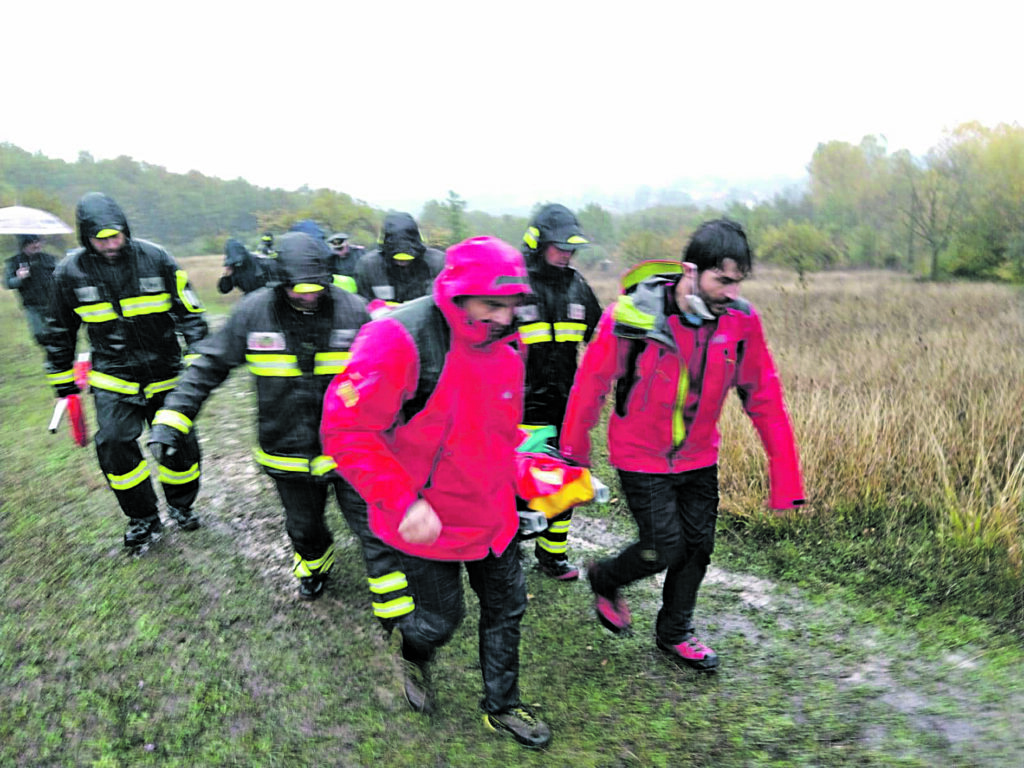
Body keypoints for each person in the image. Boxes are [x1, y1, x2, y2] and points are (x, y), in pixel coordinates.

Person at [321, 236, 552, 749]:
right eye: (492, 306)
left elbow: (489, 427)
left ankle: (502, 705)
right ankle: (411, 653)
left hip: (492, 515)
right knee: (440, 618)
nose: (503, 318)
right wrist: (403, 501)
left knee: (508, 607)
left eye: (511, 307)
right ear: (457, 292)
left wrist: (532, 467)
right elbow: (345, 430)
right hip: (426, 519)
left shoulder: (509, 340)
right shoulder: (399, 339)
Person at [560, 219, 805, 672]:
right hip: (640, 455)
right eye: (722, 279)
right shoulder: (632, 316)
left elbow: (763, 396)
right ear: (691, 271)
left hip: (698, 456)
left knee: (697, 547)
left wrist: (785, 473)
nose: (731, 291)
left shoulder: (740, 321)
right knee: (662, 546)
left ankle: (674, 633)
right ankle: (605, 577)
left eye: (738, 281)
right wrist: (574, 453)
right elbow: (590, 383)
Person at [150, 232, 410, 616]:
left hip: (350, 450)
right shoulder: (254, 313)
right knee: (304, 528)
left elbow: (392, 369)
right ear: (279, 282)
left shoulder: (353, 311)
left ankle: (398, 614)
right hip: (286, 449)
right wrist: (173, 419)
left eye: (315, 288)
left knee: (375, 526)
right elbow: (209, 365)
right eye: (298, 289)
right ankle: (314, 567)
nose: (308, 296)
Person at [41, 192, 208, 549]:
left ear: (126, 230)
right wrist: (62, 382)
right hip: (113, 378)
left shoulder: (157, 259)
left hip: (166, 374)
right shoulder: (68, 274)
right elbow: (59, 332)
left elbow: (192, 317)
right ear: (85, 237)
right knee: (115, 445)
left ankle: (182, 506)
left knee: (178, 446)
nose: (110, 243)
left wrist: (195, 365)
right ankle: (143, 517)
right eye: (101, 239)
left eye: (115, 235)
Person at [517, 204, 602, 580]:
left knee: (564, 478)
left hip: (564, 406)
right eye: (560, 246)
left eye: (572, 247)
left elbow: (598, 335)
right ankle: (504, 551)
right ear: (538, 244)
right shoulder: (514, 286)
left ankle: (552, 556)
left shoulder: (578, 286)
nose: (567, 254)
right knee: (518, 482)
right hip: (518, 409)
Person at [354, 212, 444, 310]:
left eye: (408, 258)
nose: (402, 262)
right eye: (397, 258)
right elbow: (362, 303)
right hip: (383, 321)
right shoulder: (369, 267)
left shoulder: (437, 264)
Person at [4, 234, 58, 344]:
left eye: (38, 242)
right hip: (32, 306)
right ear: (24, 245)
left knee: (57, 333)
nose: (37, 245)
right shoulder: (14, 262)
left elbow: (62, 277)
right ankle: (50, 352)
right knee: (39, 334)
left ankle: (56, 356)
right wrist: (19, 278)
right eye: (33, 242)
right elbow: (8, 283)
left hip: (52, 303)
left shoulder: (49, 258)